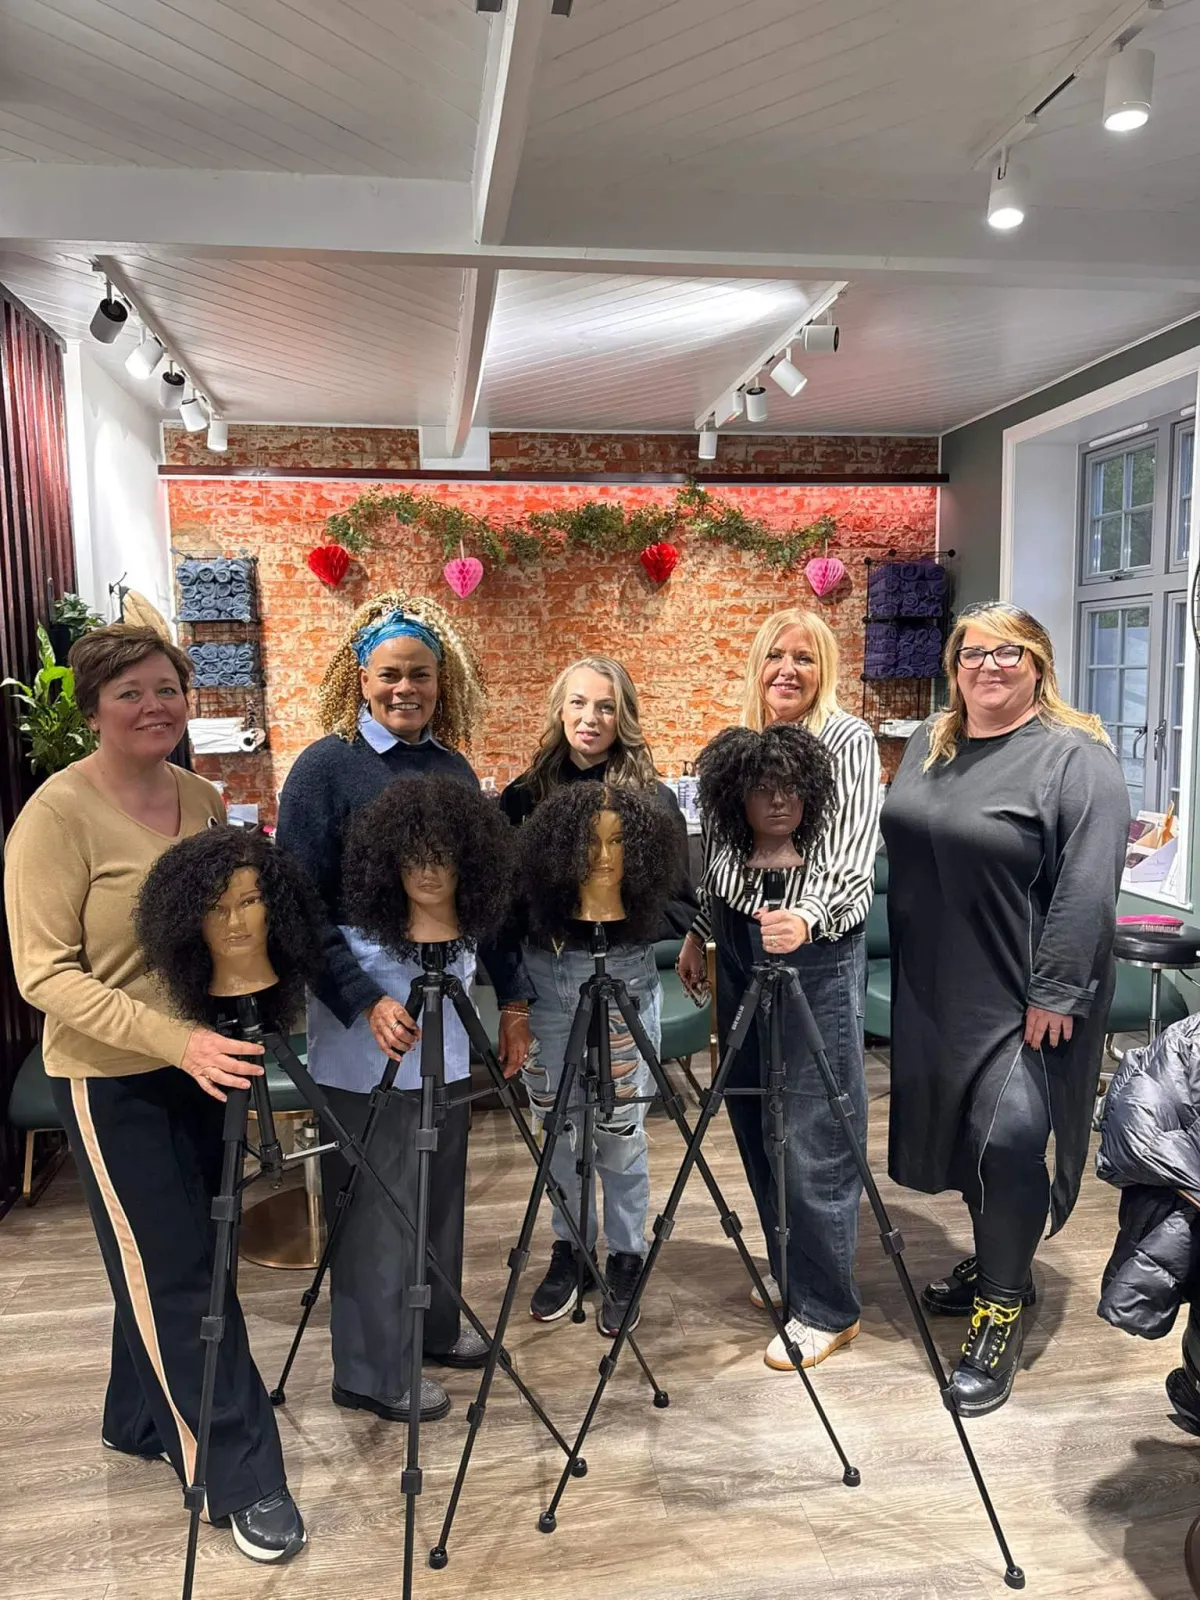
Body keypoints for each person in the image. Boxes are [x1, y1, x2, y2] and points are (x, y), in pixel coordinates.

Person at [3, 624, 306, 1564]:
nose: (153, 706)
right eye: (129, 692)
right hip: (113, 1079)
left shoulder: (202, 797)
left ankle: (135, 1416)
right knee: (179, 1270)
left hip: (205, 1064)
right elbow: (43, 973)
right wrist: (175, 1039)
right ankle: (239, 1475)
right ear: (93, 709)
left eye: (166, 689)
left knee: (185, 1253)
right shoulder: (55, 817)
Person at [275, 592, 532, 1424]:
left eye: (420, 674)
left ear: (439, 680)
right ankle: (369, 1368)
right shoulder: (325, 768)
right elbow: (298, 904)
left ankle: (432, 1328)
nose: (404, 688)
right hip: (368, 1010)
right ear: (361, 677)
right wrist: (360, 1002)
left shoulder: (453, 770)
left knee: (439, 1181)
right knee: (377, 1190)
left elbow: (488, 896)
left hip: (448, 1002)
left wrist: (514, 999)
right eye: (389, 674)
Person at [881, 601, 1129, 1416]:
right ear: (953, 665)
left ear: (1038, 664)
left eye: (1008, 653)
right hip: (932, 985)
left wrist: (1057, 988)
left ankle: (1002, 1306)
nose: (988, 666)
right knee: (963, 1139)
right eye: (973, 653)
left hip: (1020, 992)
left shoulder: (1075, 756)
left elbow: (1090, 881)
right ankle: (996, 1260)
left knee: (1011, 1138)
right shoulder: (932, 741)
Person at [677, 607, 880, 1370]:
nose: (788, 670)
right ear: (756, 665)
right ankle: (795, 1270)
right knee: (756, 1111)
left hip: (811, 946)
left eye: (805, 657)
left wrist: (808, 915)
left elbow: (853, 855)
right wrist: (702, 929)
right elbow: (725, 854)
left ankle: (829, 1307)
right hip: (738, 938)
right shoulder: (742, 742)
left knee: (814, 1124)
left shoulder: (848, 740)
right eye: (775, 656)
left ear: (825, 669)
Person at [499, 657, 694, 1332]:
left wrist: (618, 915)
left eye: (606, 706)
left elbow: (680, 902)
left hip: (625, 977)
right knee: (558, 1123)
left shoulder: (651, 800)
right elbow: (504, 910)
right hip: (545, 978)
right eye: (578, 703)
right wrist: (513, 999)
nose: (590, 718)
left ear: (624, 716)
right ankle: (571, 1247)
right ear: (559, 709)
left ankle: (626, 1253)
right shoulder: (524, 798)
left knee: (619, 1126)